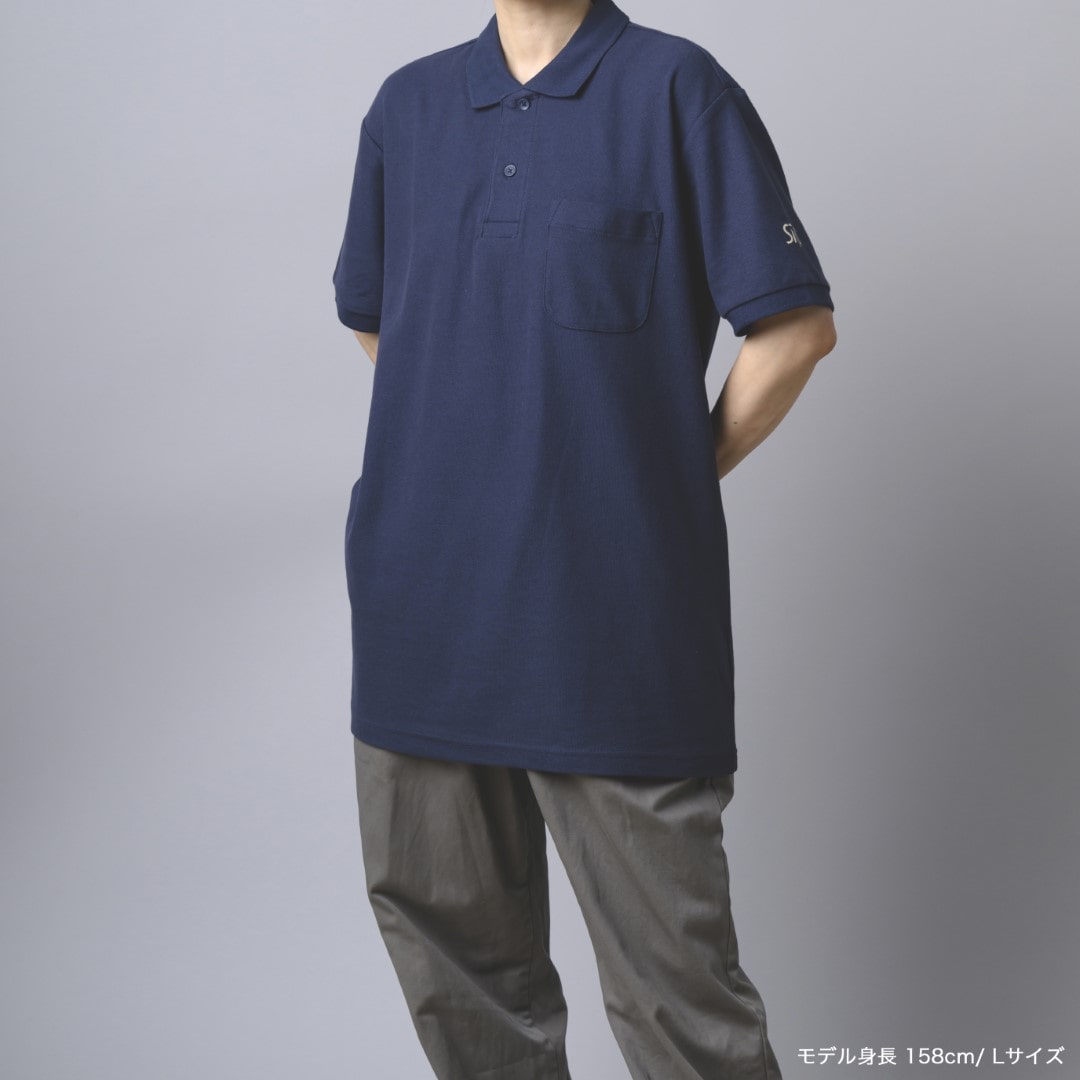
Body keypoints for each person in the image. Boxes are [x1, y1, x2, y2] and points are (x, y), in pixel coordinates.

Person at [332, 1, 837, 1076]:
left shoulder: (677, 89)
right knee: (460, 984)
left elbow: (794, 329)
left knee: (679, 1003)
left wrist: (655, 474)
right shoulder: (407, 108)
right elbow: (386, 321)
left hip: (613, 619)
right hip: (425, 609)